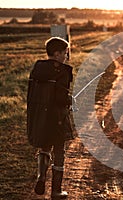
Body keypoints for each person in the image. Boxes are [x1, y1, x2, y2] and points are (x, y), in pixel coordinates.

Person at [27, 37, 74, 199]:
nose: (66, 57)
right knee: (59, 151)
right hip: (57, 117)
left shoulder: (37, 69)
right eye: (65, 53)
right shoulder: (62, 71)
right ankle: (56, 190)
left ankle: (41, 177)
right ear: (56, 53)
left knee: (44, 148)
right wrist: (69, 100)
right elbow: (61, 98)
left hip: (40, 115)